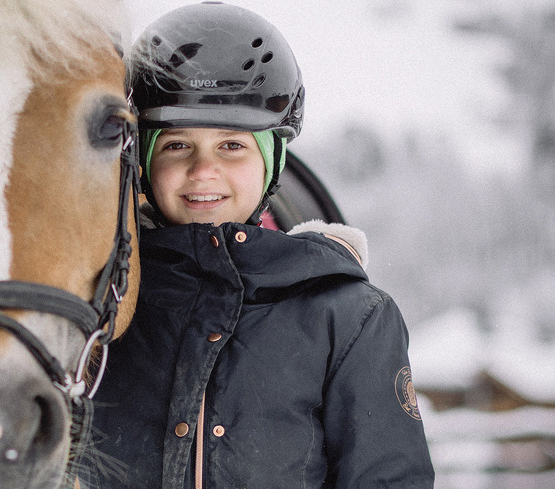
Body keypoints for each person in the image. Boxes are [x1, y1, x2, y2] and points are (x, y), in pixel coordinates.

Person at [77, 3, 435, 488]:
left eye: (232, 146)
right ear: (141, 159)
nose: (204, 171)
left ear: (273, 160)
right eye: (177, 145)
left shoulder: (349, 319)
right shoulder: (98, 307)